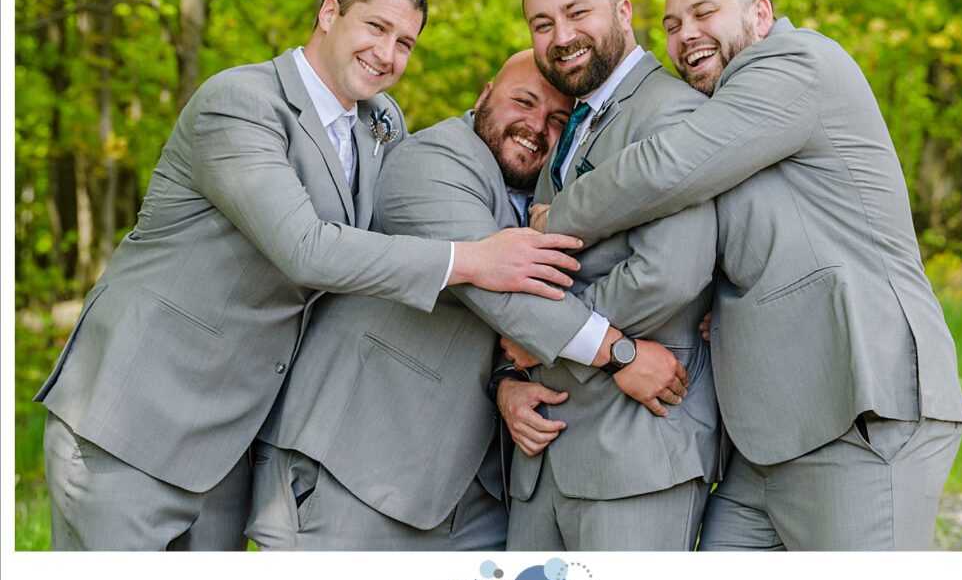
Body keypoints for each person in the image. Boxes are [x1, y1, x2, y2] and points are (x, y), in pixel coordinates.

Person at [35, 0, 584, 551]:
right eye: (376, 27)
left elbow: (389, 245)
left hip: (234, 437)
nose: (387, 54)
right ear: (329, 12)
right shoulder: (240, 102)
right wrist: (472, 258)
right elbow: (305, 249)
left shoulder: (383, 125)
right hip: (136, 413)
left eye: (405, 42)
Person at [532, 0, 962, 550]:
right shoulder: (727, 113)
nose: (686, 36)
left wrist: (557, 216)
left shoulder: (797, 64)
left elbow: (668, 166)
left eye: (704, 13)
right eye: (674, 24)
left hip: (861, 409)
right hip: (766, 439)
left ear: (760, 15)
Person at [247, 50, 687, 550]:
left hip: (472, 490)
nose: (536, 126)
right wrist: (619, 354)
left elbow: (499, 324)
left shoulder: (552, 201)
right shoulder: (433, 161)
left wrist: (507, 382)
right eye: (523, 102)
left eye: (557, 120)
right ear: (483, 96)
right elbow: (502, 296)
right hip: (358, 462)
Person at [498, 0, 724, 551]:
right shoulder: (572, 121)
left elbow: (667, 272)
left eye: (578, 13)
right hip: (542, 456)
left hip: (636, 453)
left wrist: (545, 334)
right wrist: (510, 376)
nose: (561, 37)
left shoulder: (674, 112)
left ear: (623, 11)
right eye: (542, 25)